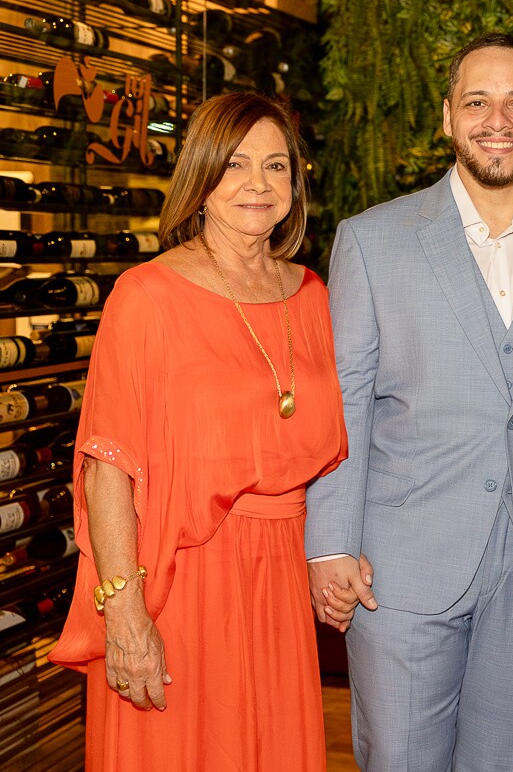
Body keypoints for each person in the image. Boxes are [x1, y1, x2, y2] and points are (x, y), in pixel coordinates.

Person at [303, 33, 513, 771]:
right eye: (477, 101)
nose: (498, 119)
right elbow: (344, 401)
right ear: (447, 116)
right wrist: (329, 545)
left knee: (501, 760)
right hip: (399, 567)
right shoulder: (371, 241)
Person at [49, 91, 349, 770]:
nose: (258, 184)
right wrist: (125, 618)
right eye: (237, 164)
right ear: (202, 176)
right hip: (179, 583)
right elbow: (107, 468)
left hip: (279, 584)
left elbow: (336, 454)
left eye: (277, 167)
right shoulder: (146, 297)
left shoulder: (312, 295)